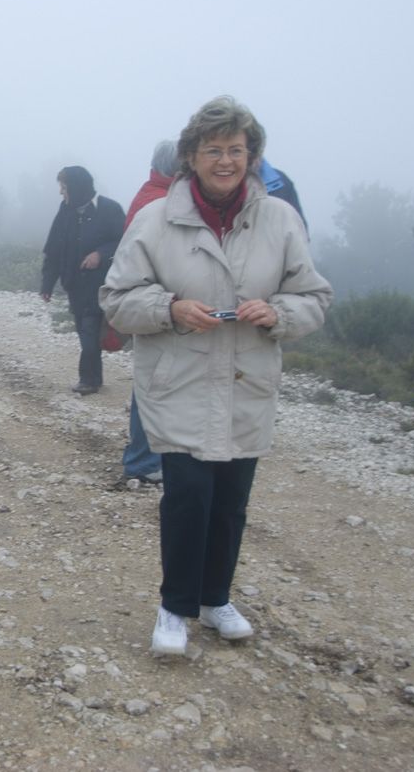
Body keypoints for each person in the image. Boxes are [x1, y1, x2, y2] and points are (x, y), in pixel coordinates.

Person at [100, 96, 332, 656]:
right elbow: (116, 298)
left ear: (252, 156)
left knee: (230, 501)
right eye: (213, 150)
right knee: (188, 498)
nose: (225, 160)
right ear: (191, 156)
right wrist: (170, 308)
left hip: (247, 382)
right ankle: (174, 608)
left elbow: (313, 297)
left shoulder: (280, 219)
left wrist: (278, 313)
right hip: (179, 381)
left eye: (236, 149)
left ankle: (215, 599)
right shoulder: (155, 220)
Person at [117, 140, 180, 489]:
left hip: (153, 303)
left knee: (155, 380)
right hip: (155, 304)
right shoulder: (158, 202)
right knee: (154, 382)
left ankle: (148, 458)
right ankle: (143, 461)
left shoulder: (153, 193)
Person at [41, 166, 125, 395]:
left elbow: (125, 242)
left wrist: (101, 254)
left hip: (102, 286)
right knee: (85, 331)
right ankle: (94, 378)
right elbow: (54, 249)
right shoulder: (65, 211)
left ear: (77, 187)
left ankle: (88, 380)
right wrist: (47, 284)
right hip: (75, 286)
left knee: (89, 329)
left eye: (64, 187)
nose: (61, 192)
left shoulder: (110, 209)